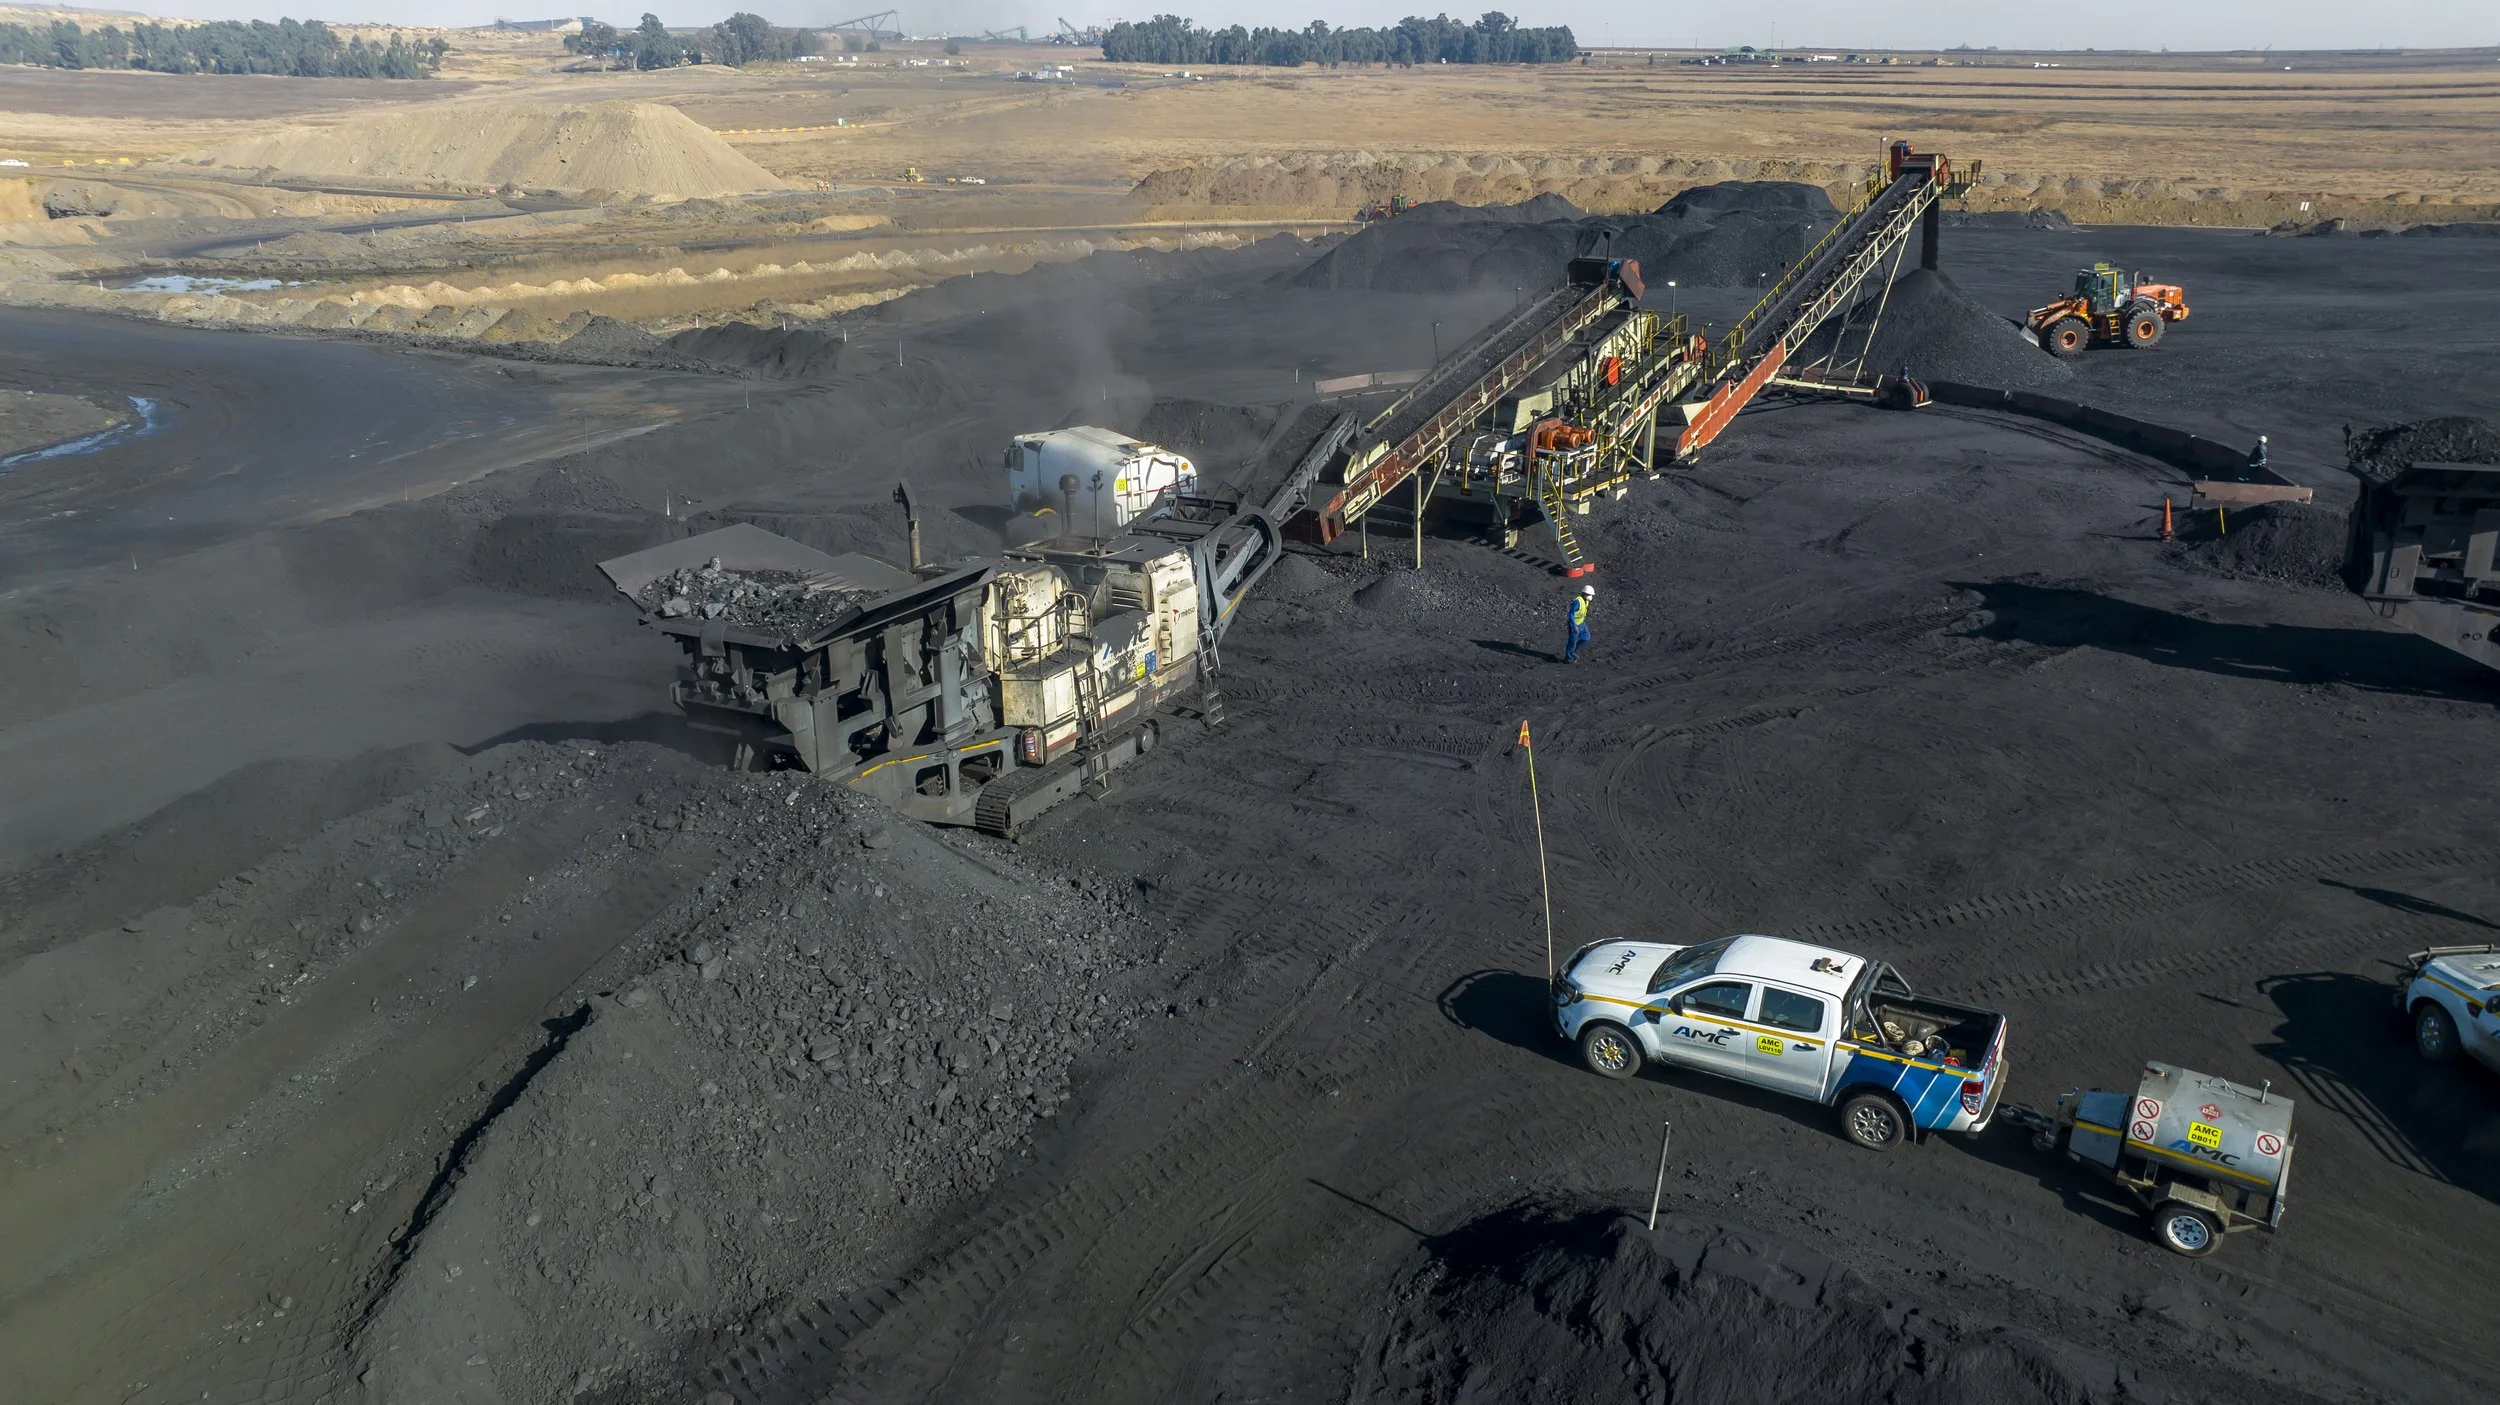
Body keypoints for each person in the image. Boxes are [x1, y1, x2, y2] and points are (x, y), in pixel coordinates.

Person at [1563, 583, 1594, 663]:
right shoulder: (1577, 601)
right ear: (1584, 593)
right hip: (1575, 625)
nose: (1590, 596)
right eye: (1589, 594)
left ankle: (1573, 652)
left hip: (1582, 623)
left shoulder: (1586, 600)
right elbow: (1571, 614)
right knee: (1572, 643)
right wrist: (1574, 626)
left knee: (1586, 638)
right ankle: (1568, 659)